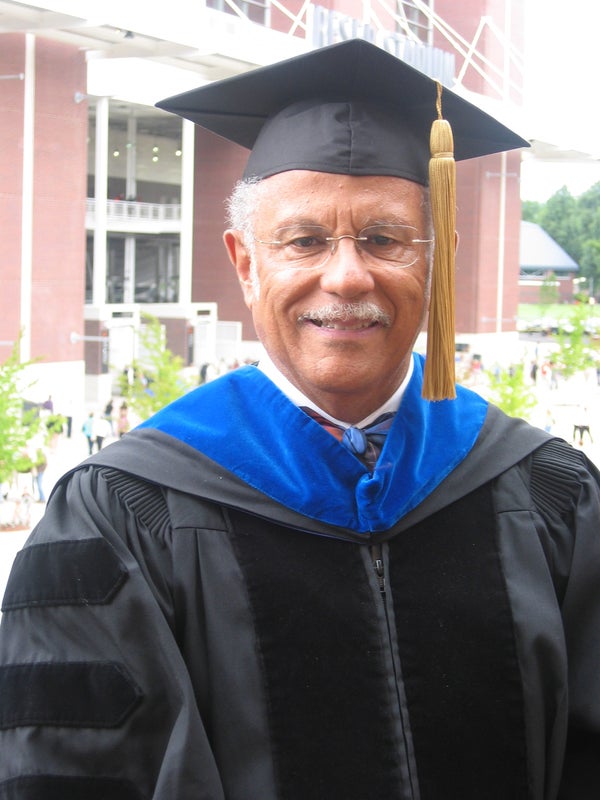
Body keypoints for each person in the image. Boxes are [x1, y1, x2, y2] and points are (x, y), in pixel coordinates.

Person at [1, 40, 599, 800]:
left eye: (384, 239)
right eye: (304, 240)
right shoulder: (123, 514)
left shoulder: (549, 495)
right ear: (246, 263)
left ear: (437, 260)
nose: (347, 275)